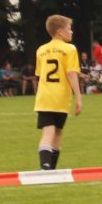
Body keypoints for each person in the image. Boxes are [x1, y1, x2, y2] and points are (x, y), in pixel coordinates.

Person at [32, 15, 82, 170]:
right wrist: (79, 98)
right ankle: (47, 168)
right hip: (60, 97)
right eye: (69, 29)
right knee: (56, 133)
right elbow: (71, 73)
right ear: (60, 31)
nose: (71, 32)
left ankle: (48, 169)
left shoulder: (41, 50)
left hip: (45, 97)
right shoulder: (70, 49)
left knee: (51, 132)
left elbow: (39, 75)